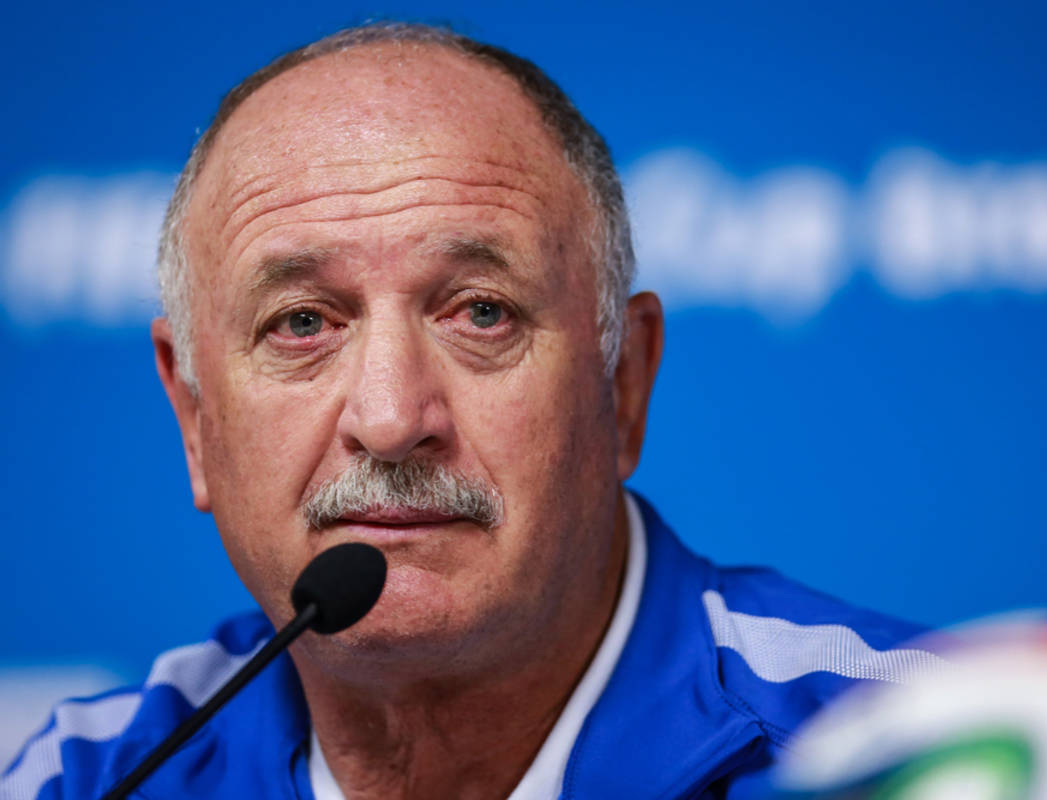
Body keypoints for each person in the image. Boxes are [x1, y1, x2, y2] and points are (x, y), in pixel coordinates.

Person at [1, 23, 934, 800]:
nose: (389, 419)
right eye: (302, 324)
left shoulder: (920, 755)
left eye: (481, 313)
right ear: (193, 417)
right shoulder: (85, 781)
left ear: (623, 383)